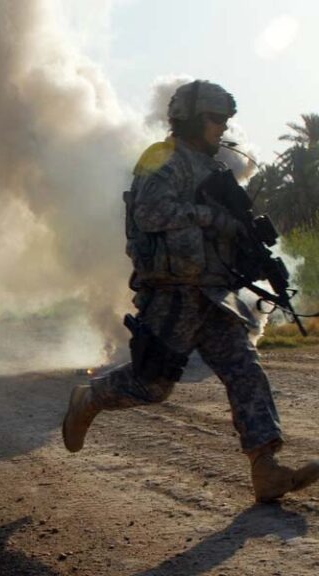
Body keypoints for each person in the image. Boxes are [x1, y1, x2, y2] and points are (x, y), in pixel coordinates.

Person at [62, 80, 319, 503]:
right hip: (172, 294)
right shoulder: (162, 160)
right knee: (152, 385)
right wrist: (212, 219)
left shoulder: (215, 170)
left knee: (245, 370)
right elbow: (150, 212)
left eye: (224, 120)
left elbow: (228, 231)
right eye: (215, 119)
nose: (222, 128)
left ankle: (266, 469)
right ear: (192, 119)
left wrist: (248, 250)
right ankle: (88, 400)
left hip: (214, 295)